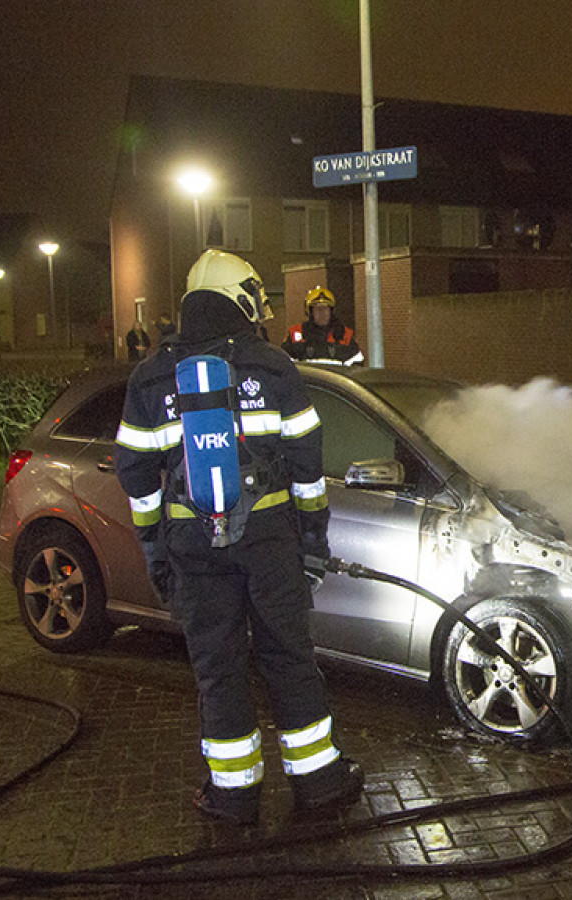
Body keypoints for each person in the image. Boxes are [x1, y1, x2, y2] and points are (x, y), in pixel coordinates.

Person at [114, 249, 362, 825]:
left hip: (192, 547)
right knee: (288, 656)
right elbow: (306, 462)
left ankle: (233, 795)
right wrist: (313, 543)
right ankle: (318, 781)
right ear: (243, 297)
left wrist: (155, 549)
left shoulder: (151, 377)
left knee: (218, 665)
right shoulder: (272, 366)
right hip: (270, 541)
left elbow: (135, 476)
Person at [283, 286, 363, 366]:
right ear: (310, 312)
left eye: (325, 308)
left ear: (331, 311)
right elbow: (285, 364)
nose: (322, 313)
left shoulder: (344, 335)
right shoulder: (296, 335)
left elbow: (356, 366)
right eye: (318, 309)